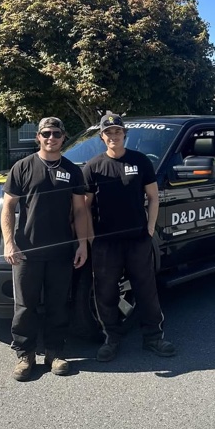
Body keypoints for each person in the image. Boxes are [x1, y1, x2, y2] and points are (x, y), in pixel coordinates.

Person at [84, 112, 176, 361]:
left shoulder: (140, 161)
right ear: (102, 137)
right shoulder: (93, 167)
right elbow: (85, 207)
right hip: (105, 243)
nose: (113, 136)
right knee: (106, 293)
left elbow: (154, 198)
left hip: (137, 239)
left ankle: (154, 338)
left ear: (124, 134)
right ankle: (111, 339)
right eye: (108, 132)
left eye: (117, 131)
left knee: (146, 290)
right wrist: (91, 239)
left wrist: (149, 229)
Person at [1, 117, 88, 381]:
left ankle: (55, 353)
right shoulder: (22, 167)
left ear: (63, 137)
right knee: (25, 307)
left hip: (61, 251)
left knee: (57, 305)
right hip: (26, 252)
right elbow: (8, 208)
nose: (52, 138)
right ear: (38, 136)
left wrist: (82, 243)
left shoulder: (72, 170)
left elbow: (80, 210)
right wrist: (9, 242)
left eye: (56, 134)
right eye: (46, 133)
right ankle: (25, 355)